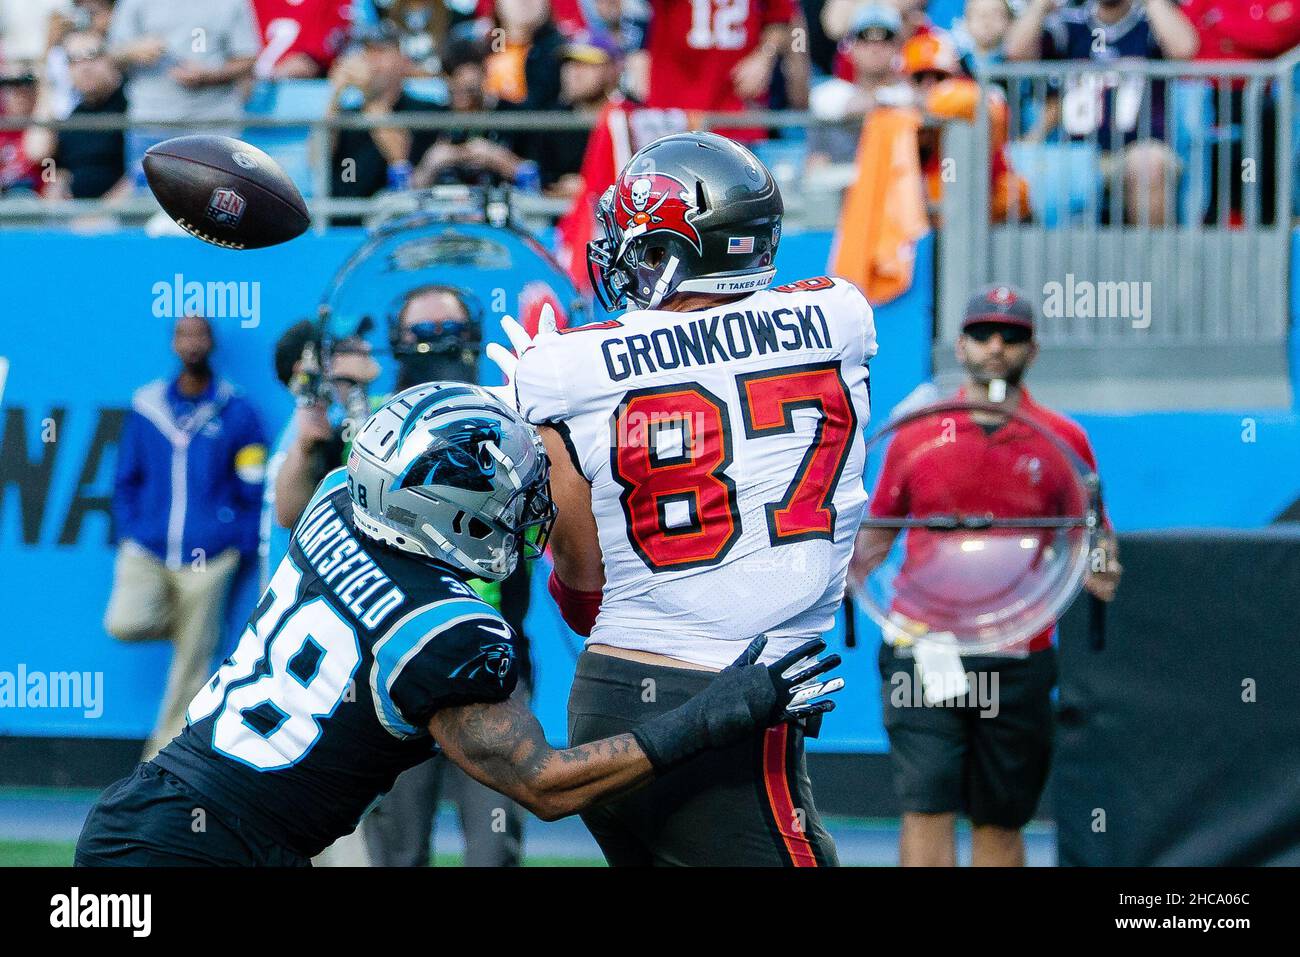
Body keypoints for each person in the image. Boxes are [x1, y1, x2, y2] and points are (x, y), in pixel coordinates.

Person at [75, 383, 843, 866]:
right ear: (449, 514)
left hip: (134, 817)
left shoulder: (338, 504)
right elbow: (546, 784)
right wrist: (720, 709)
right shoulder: (449, 633)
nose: (521, 511)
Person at [488, 131, 874, 866]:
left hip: (609, 696)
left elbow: (582, 595)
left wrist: (548, 422)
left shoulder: (566, 368)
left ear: (668, 254)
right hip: (731, 704)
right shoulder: (841, 317)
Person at [848, 284, 1122, 867]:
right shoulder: (918, 432)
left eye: (1012, 336)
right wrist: (837, 577)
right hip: (924, 646)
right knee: (926, 804)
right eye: (983, 334)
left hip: (1020, 650)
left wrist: (1102, 567)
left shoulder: (1062, 440)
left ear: (1033, 349)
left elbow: (1094, 534)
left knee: (1001, 814)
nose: (997, 347)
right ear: (961, 345)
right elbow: (875, 537)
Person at [359, 284, 536, 868]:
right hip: (392, 667)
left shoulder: (502, 426)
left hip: (487, 661)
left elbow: (543, 528)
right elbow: (294, 511)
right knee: (397, 850)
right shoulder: (365, 431)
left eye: (448, 331)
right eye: (423, 332)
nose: (435, 346)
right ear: (397, 339)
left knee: (493, 849)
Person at [105, 315, 267, 759]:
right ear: (173, 343)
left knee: (191, 667)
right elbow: (127, 478)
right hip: (152, 549)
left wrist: (236, 538)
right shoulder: (148, 406)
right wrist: (132, 529)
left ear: (211, 343)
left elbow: (254, 482)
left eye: (200, 334)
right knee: (123, 622)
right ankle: (191, 626)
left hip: (210, 557)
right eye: (184, 335)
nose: (192, 343)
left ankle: (160, 761)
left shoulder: (237, 409)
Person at [1003, 0, 1199, 225]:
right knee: (1031, 168)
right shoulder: (1069, 24)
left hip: (1136, 150)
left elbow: (1185, 50)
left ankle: (1151, 258)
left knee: (1150, 163)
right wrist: (1039, 6)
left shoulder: (1149, 24)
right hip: (1075, 155)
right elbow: (1015, 52)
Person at [107, 0, 259, 184]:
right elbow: (112, 55)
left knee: (213, 205)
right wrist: (134, 50)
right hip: (151, 124)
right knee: (148, 206)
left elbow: (248, 57)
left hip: (215, 127)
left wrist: (209, 76)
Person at [24, 28, 127, 200]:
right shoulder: (73, 115)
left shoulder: (130, 107)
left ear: (110, 59)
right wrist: (46, 85)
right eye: (73, 60)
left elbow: (138, 175)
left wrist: (100, 215)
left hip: (122, 219)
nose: (84, 67)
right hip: (72, 217)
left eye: (92, 55)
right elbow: (39, 154)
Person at [806, 3, 910, 169]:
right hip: (842, 190)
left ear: (898, 46)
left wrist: (879, 103)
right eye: (865, 38)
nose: (875, 48)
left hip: (897, 187)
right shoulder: (828, 95)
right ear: (851, 46)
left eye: (885, 39)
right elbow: (816, 163)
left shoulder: (909, 94)